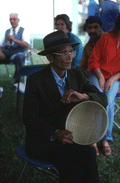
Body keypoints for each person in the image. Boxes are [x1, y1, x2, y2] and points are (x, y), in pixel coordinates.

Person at [23, 30, 108, 183]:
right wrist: (55, 133)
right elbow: (30, 119)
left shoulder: (77, 75)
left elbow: (103, 99)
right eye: (63, 53)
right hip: (45, 141)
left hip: (72, 137)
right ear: (50, 58)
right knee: (73, 170)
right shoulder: (35, 80)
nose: (70, 57)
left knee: (89, 153)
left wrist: (85, 96)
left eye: (71, 51)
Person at [88, 14, 120, 156]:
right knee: (96, 99)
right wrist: (101, 77)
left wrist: (112, 79)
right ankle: (93, 139)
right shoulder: (106, 38)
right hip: (97, 74)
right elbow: (93, 59)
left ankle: (105, 139)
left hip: (115, 78)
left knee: (108, 102)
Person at [0, 13, 29, 83]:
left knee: (19, 58)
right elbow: (1, 45)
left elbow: (26, 45)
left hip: (19, 52)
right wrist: (0, 53)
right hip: (7, 53)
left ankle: (17, 82)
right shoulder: (7, 31)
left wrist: (14, 40)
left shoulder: (23, 30)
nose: (12, 21)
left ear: (18, 20)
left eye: (14, 19)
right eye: (10, 19)